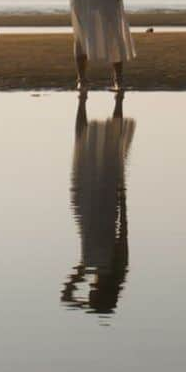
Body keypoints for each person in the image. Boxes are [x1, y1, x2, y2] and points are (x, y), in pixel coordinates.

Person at [60, 89, 134, 316]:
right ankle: (105, 119)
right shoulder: (94, 263)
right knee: (94, 164)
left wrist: (122, 197)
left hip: (99, 205)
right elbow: (67, 296)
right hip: (98, 205)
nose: (89, 287)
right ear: (98, 289)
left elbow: (124, 232)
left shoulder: (98, 264)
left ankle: (102, 119)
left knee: (97, 163)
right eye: (92, 292)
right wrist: (85, 307)